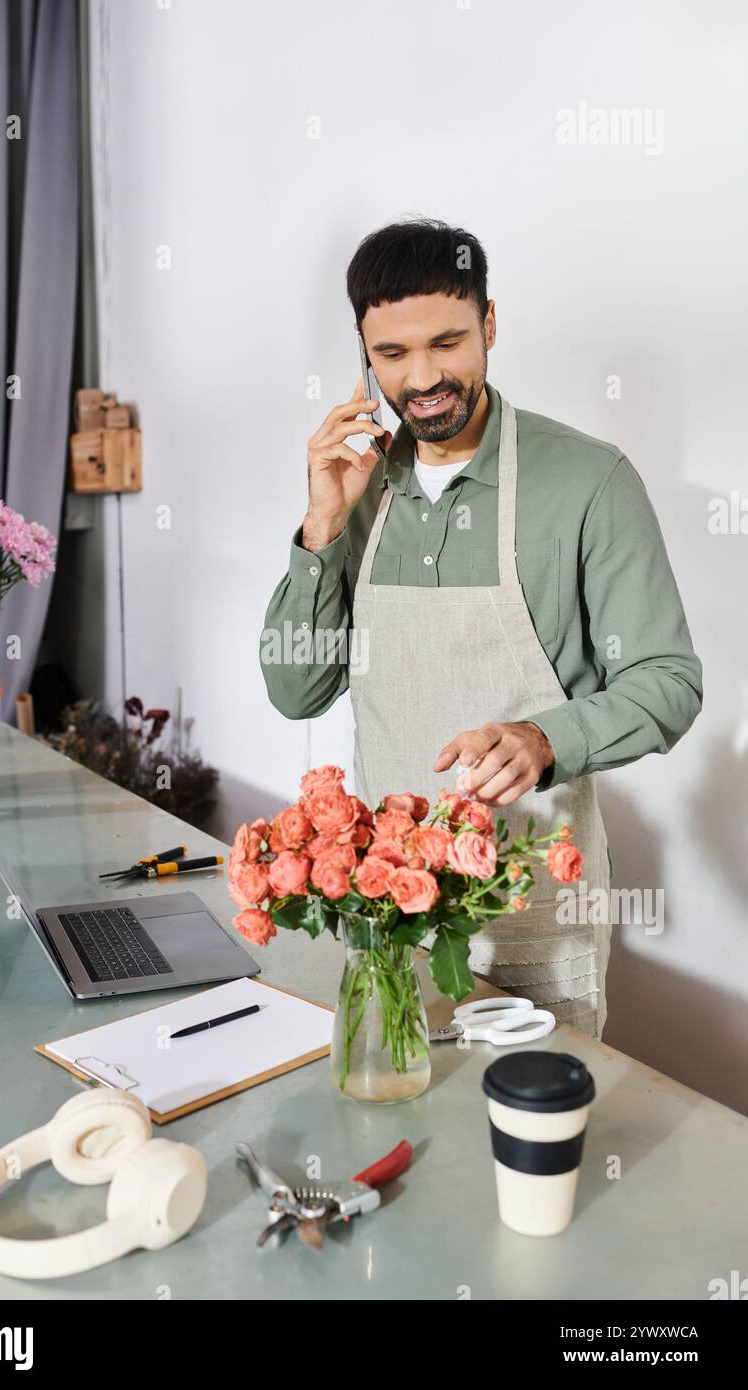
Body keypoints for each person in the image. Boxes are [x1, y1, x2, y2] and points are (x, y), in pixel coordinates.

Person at [259, 219, 703, 1039]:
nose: (422, 377)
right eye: (391, 354)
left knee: (523, 1145)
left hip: (537, 906)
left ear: (489, 325)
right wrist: (322, 526)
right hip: (387, 903)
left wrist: (545, 736)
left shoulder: (588, 480)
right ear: (364, 351)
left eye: (448, 342)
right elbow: (296, 690)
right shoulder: (360, 489)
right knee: (405, 1119)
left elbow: (668, 682)